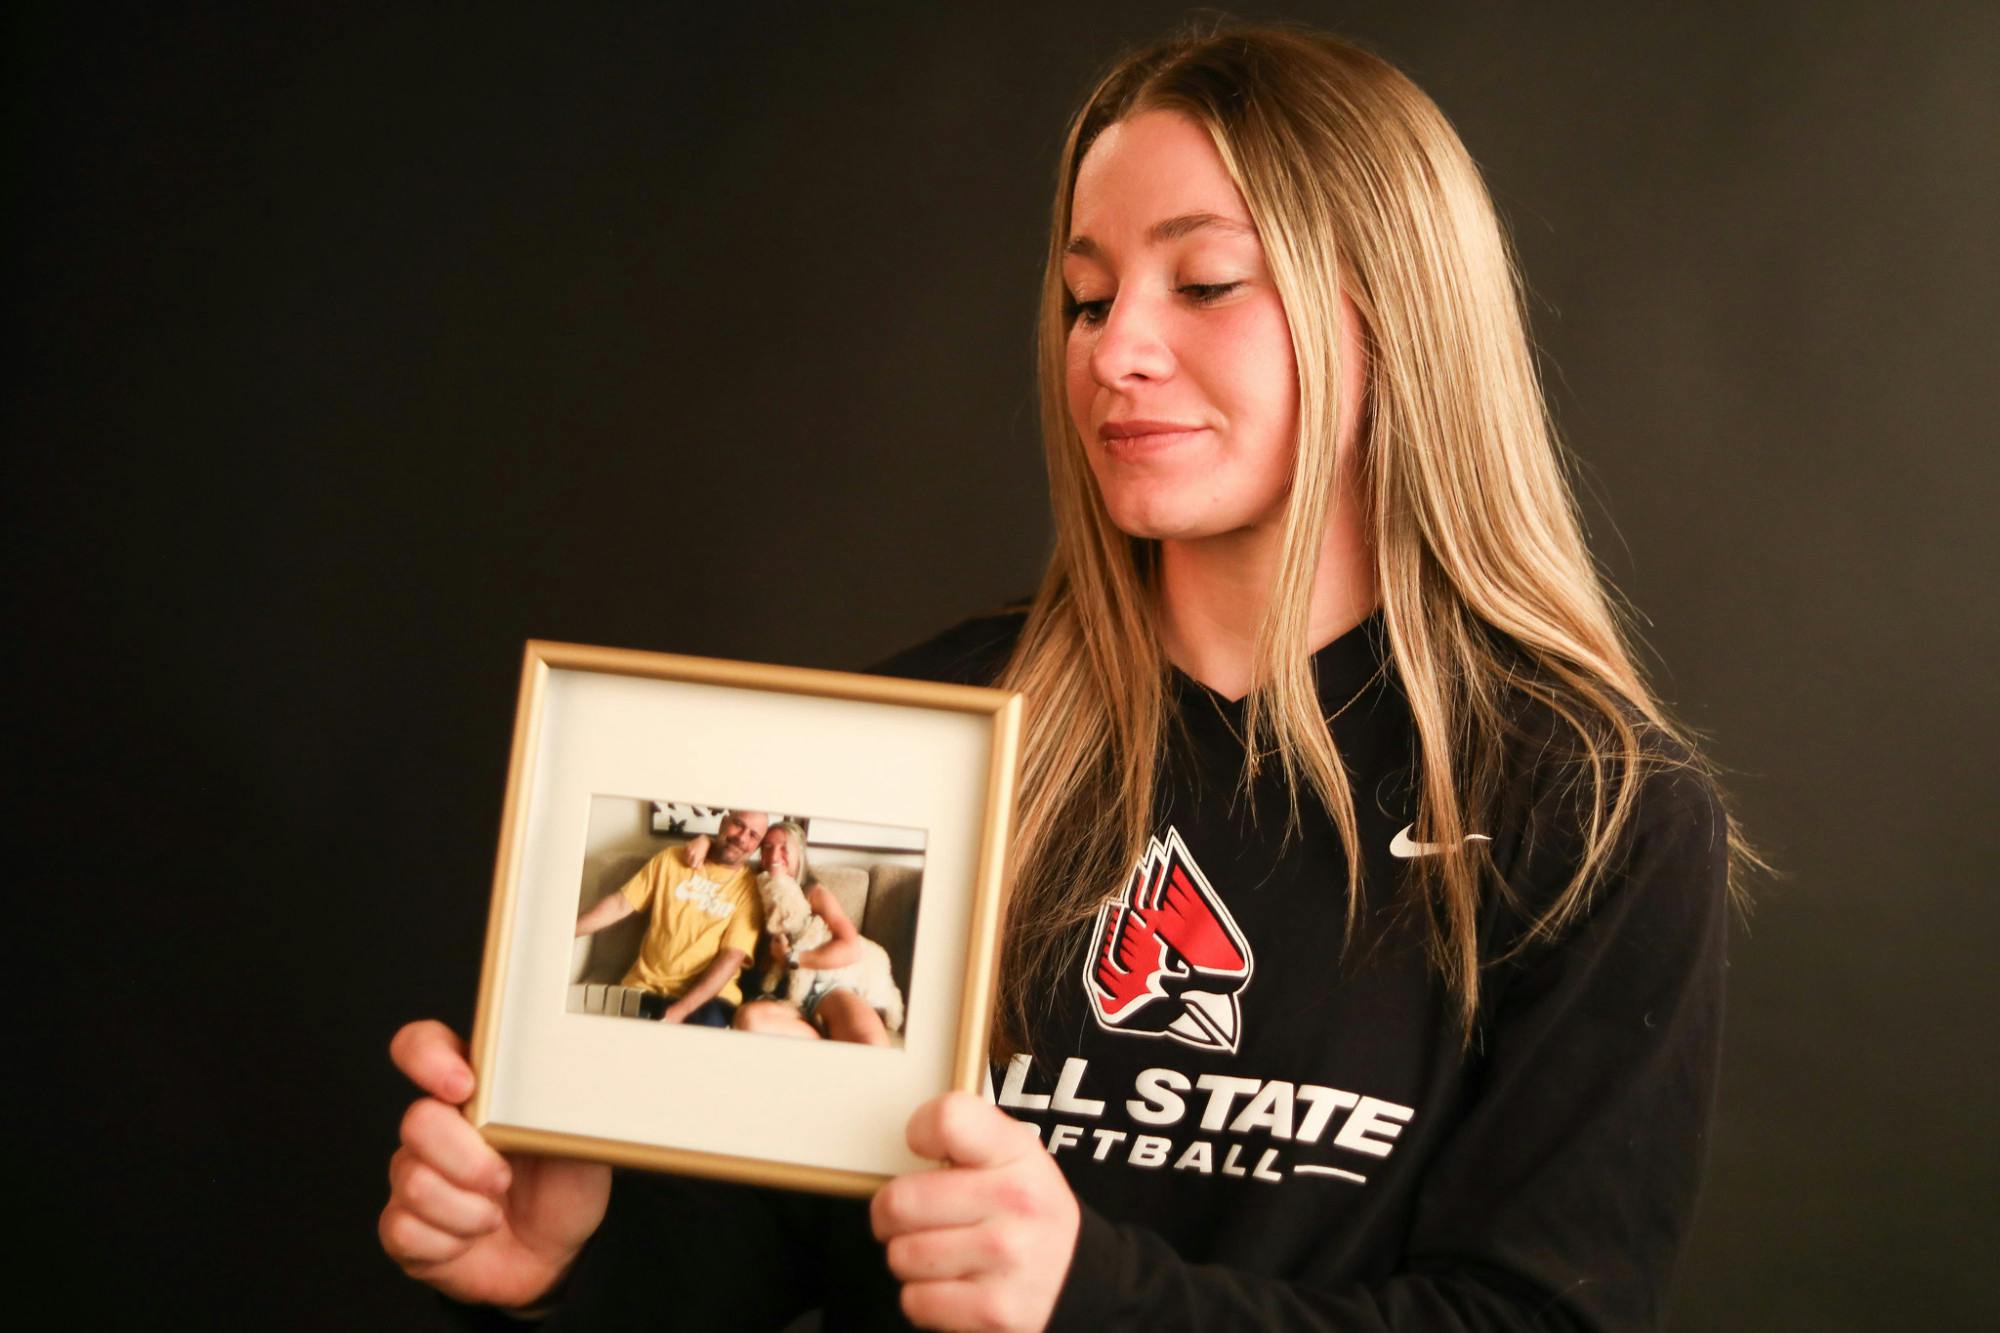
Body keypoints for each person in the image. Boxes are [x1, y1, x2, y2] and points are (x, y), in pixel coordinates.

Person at [381, 24, 1751, 1330]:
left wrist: (1092, 1299)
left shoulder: (1593, 816)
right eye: (1088, 295)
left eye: (1203, 281)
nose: (1115, 348)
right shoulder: (916, 748)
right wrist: (558, 1270)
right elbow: (749, 1262)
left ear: (1395, 319)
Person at [570, 808, 769, 1027]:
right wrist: (564, 932)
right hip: (644, 987)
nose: (742, 837)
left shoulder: (750, 889)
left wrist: (678, 1011)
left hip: (709, 1001)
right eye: (738, 824)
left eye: (753, 835)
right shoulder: (671, 859)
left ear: (757, 846)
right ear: (723, 823)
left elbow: (731, 958)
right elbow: (619, 905)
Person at [730, 819, 903, 1046]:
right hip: (783, 1000)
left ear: (799, 854)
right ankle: (820, 1037)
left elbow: (851, 948)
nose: (773, 856)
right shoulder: (751, 889)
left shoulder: (814, 893)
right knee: (748, 1020)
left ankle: (827, 1029)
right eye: (767, 848)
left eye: (783, 848)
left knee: (873, 1044)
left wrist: (793, 958)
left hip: (826, 989)